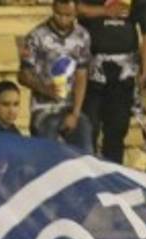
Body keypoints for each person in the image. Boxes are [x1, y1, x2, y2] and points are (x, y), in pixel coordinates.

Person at [79, 0, 146, 163]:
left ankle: (111, 180)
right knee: (88, 129)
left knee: (117, 130)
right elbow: (75, 8)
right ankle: (87, 180)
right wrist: (105, 11)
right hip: (92, 71)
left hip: (123, 73)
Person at [20, 0, 93, 153]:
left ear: (75, 12)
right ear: (53, 9)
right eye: (59, 14)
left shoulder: (82, 36)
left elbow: (82, 75)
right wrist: (45, 89)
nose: (63, 19)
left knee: (85, 145)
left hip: (70, 108)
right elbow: (23, 75)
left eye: (68, 15)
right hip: (43, 109)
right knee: (47, 154)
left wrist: (75, 112)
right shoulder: (35, 36)